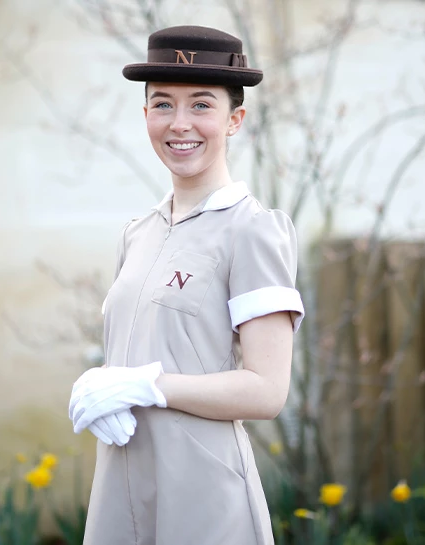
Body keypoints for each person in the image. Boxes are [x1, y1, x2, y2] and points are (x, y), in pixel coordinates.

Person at [69, 25, 305, 545]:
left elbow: (267, 390)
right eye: (162, 104)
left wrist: (146, 387)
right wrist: (103, 386)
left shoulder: (253, 231)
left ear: (235, 119)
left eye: (201, 105)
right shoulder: (139, 233)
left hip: (202, 499)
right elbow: (140, 354)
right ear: (146, 115)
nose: (180, 124)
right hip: (120, 489)